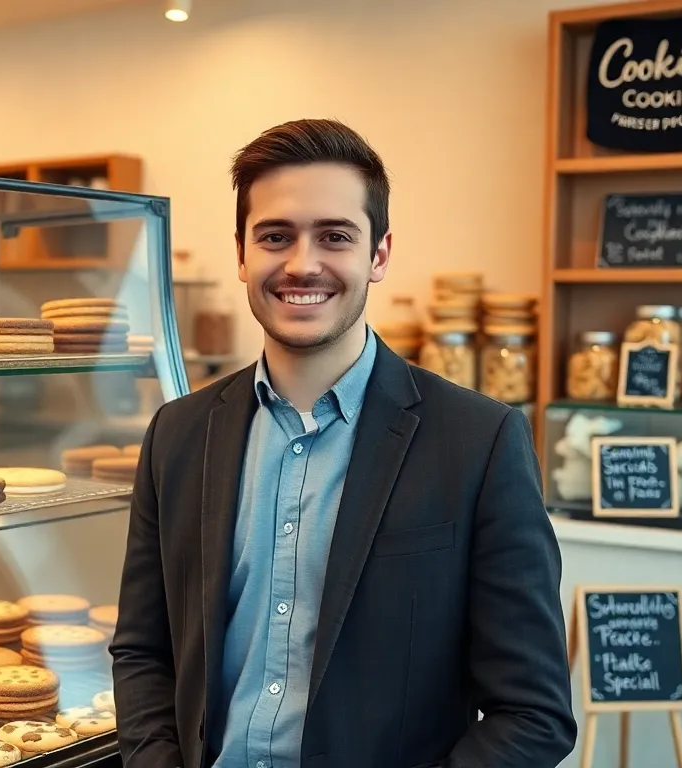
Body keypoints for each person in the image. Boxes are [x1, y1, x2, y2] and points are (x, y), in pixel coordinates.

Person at [110, 118, 575, 768]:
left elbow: (534, 714)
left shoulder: (479, 440)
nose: (302, 264)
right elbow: (143, 651)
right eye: (275, 236)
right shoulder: (178, 434)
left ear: (378, 255)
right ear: (242, 254)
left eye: (334, 236)